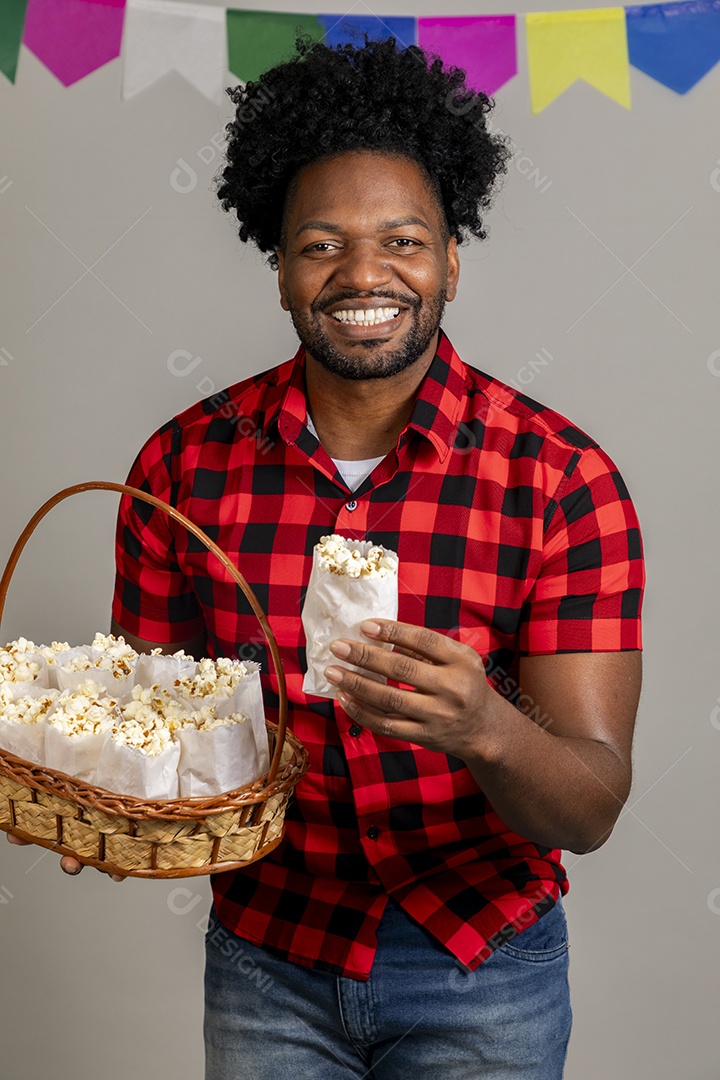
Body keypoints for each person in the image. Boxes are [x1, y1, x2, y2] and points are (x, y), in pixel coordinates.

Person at [10, 35, 645, 1078]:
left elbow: (590, 806)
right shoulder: (179, 467)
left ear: (452, 260)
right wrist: (105, 794)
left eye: (403, 240)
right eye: (320, 244)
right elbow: (153, 734)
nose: (363, 274)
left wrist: (485, 726)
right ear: (278, 271)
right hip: (271, 955)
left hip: (483, 962)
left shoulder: (560, 479)